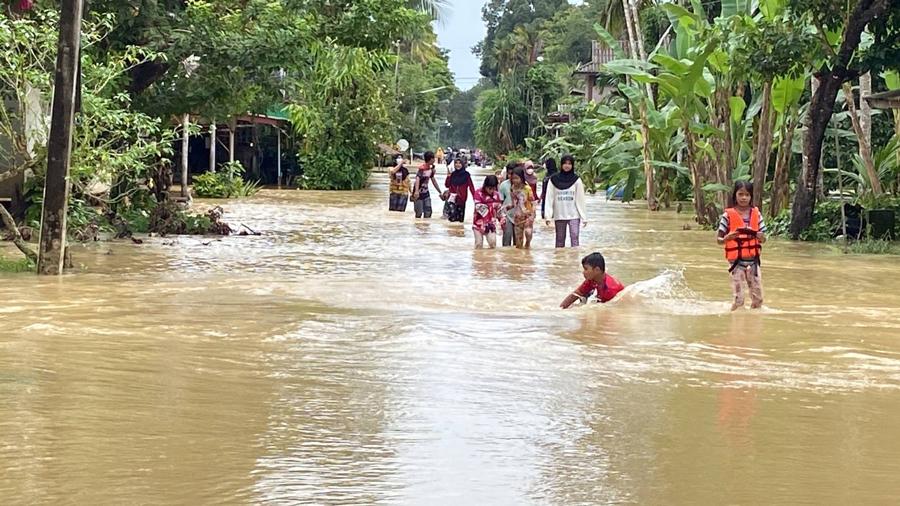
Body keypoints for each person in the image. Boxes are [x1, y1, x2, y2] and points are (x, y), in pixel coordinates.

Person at [717, 181, 767, 311]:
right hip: (736, 262)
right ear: (735, 195)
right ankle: (736, 322)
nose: (744, 198)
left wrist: (761, 237)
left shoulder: (757, 214)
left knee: (758, 298)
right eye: (740, 194)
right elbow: (719, 239)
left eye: (747, 195)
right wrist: (727, 238)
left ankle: (753, 325)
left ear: (751, 196)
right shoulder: (727, 215)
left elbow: (764, 238)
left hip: (753, 261)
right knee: (739, 298)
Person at [545, 154, 588, 248]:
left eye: (569, 163)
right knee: (559, 239)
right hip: (559, 215)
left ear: (572, 165)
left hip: (574, 214)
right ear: (561, 165)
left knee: (575, 237)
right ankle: (559, 260)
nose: (567, 166)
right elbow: (549, 197)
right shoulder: (553, 180)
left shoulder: (577, 180)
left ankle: (575, 260)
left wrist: (584, 217)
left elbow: (580, 199)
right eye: (565, 163)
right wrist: (548, 215)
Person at [560, 252, 625, 309]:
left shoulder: (610, 289)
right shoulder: (592, 280)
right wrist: (560, 309)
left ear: (597, 270)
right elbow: (576, 294)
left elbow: (612, 310)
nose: (583, 272)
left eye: (586, 269)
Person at [507, 167, 536, 249]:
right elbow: (514, 203)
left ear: (521, 178)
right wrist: (505, 209)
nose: (515, 181)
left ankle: (528, 244)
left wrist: (533, 214)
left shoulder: (527, 188)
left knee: (528, 232)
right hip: (517, 216)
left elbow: (533, 202)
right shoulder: (512, 188)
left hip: (528, 215)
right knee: (518, 243)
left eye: (517, 178)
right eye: (513, 178)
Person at [473, 175, 504, 249]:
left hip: (491, 224)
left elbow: (499, 210)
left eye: (493, 188)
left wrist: (502, 220)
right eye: (489, 188)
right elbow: (479, 207)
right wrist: (492, 205)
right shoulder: (478, 193)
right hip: (478, 223)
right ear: (485, 186)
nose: (491, 191)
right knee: (478, 244)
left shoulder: (496, 195)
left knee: (492, 243)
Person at [443, 157, 476, 223]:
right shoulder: (452, 174)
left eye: (459, 163)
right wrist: (448, 176)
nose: (457, 165)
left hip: (462, 199)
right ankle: (451, 232)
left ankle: (458, 232)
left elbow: (471, 187)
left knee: (460, 220)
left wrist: (475, 198)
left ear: (462, 164)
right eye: (456, 163)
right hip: (452, 199)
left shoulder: (466, 175)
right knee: (452, 217)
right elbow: (447, 185)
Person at [412, 151, 442, 219]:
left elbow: (433, 180)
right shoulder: (422, 169)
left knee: (428, 212)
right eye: (433, 158)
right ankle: (418, 228)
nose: (434, 160)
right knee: (418, 213)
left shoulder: (431, 169)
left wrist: (439, 191)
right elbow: (417, 179)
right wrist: (416, 191)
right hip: (418, 193)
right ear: (431, 159)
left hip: (426, 193)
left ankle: (426, 227)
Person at [497, 162, 519, 246]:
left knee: (518, 242)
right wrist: (500, 217)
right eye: (509, 173)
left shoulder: (524, 186)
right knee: (507, 238)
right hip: (507, 216)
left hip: (519, 216)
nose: (511, 176)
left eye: (513, 173)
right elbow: (500, 202)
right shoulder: (503, 185)